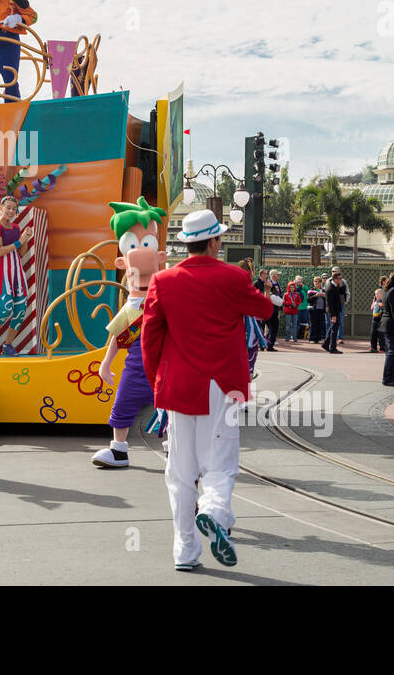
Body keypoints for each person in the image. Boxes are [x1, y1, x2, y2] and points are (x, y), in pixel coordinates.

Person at [142, 209, 274, 572]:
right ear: (215, 241)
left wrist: (158, 384)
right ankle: (215, 512)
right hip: (223, 386)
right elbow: (263, 310)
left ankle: (185, 551)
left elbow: (149, 340)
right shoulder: (233, 277)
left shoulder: (163, 282)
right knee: (220, 463)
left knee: (180, 472)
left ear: (187, 243)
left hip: (179, 387)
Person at [92, 197, 166, 469]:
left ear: (160, 257)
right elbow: (119, 333)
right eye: (134, 247)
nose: (141, 255)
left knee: (171, 409)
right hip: (136, 367)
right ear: (122, 262)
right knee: (122, 404)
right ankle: (119, 450)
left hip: (163, 366)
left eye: (146, 245)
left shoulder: (166, 296)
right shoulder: (132, 304)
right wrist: (106, 362)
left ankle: (177, 451)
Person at [0, 195, 34, 357]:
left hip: (16, 273)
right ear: (1, 208)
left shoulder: (16, 228)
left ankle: (7, 345)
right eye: (8, 207)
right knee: (5, 309)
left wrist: (25, 239)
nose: (11, 211)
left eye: (13, 208)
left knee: (20, 311)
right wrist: (19, 241)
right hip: (1, 273)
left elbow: (21, 253)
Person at [322, 271, 346, 353]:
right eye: (339, 278)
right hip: (333, 312)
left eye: (341, 278)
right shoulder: (330, 288)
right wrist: (333, 315)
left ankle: (325, 344)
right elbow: (329, 303)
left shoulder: (336, 285)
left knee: (333, 328)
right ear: (335, 279)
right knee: (334, 330)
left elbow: (343, 293)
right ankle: (333, 347)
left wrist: (341, 285)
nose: (341, 280)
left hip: (337, 310)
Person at [307, 275, 326, 343]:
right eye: (315, 281)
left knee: (320, 324)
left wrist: (325, 296)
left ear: (321, 282)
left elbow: (327, 301)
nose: (317, 283)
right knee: (313, 324)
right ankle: (312, 339)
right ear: (313, 282)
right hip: (313, 309)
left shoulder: (323, 290)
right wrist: (316, 295)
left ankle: (317, 339)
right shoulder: (311, 290)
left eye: (319, 281)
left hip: (321, 310)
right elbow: (308, 300)